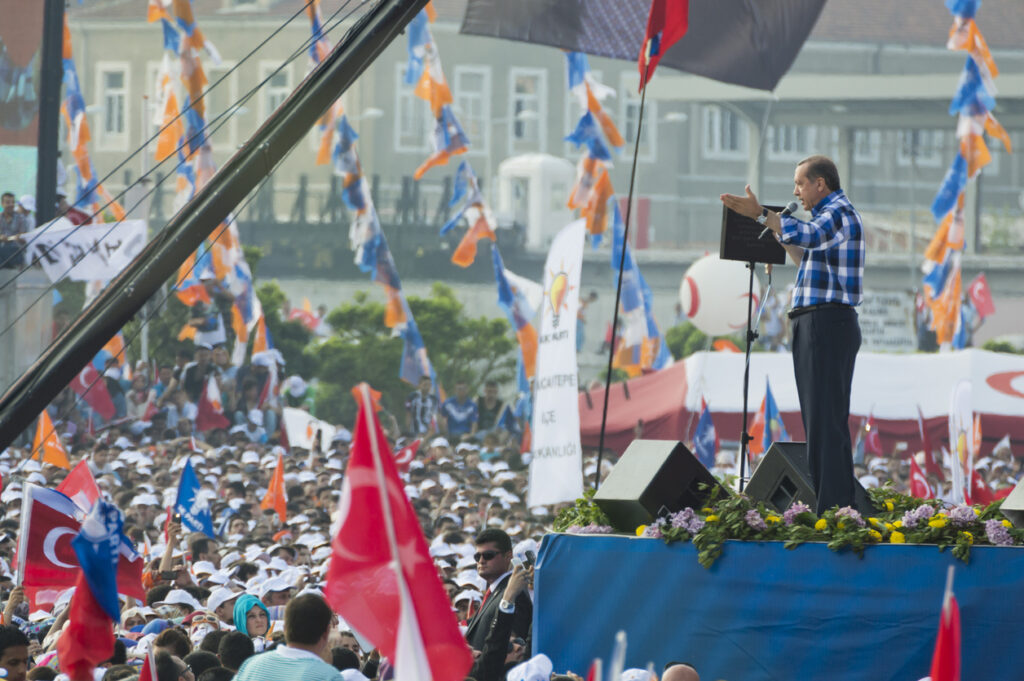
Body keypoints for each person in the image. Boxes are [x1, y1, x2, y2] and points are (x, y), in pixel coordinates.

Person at [720, 154, 864, 513]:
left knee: (825, 422)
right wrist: (781, 238)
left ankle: (834, 509)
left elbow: (813, 236)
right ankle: (835, 505)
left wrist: (762, 215)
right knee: (820, 420)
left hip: (827, 322)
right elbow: (809, 256)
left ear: (821, 183)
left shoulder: (839, 213)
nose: (796, 191)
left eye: (801, 183)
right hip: (817, 323)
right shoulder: (826, 218)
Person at [232, 593, 343, 681]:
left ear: (285, 628)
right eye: (251, 616)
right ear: (326, 633)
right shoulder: (329, 676)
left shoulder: (251, 666)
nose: (259, 620)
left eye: (262, 615)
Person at [463, 529, 532, 652]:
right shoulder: (493, 591)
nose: (481, 561)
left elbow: (514, 649)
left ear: (508, 556)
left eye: (488, 555)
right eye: (477, 556)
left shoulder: (514, 593)